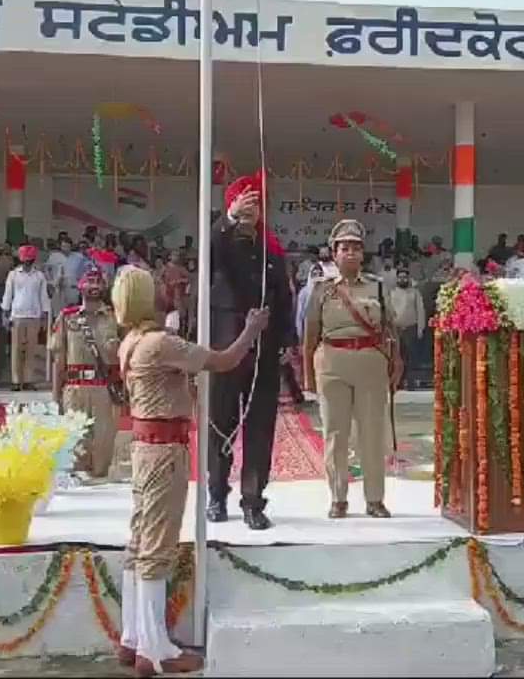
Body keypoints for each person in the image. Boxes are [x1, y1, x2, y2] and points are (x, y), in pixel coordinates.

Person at [112, 266, 268, 676]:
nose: (171, 293)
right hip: (165, 450)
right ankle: (155, 649)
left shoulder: (132, 342)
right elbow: (223, 360)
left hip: (146, 446)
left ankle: (133, 636)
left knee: (140, 538)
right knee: (157, 546)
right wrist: (251, 331)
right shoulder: (160, 344)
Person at [207, 172, 293, 531]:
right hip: (227, 348)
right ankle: (216, 495)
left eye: (256, 204)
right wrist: (228, 219)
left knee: (260, 428)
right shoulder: (222, 242)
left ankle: (253, 501)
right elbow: (211, 252)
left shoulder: (270, 249)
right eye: (245, 203)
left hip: (265, 351)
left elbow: (284, 298)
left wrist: (287, 340)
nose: (251, 211)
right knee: (220, 423)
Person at [304, 219, 401, 520]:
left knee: (372, 433)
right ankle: (338, 498)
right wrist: (308, 376)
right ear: (334, 254)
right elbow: (309, 335)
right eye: (344, 248)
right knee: (336, 433)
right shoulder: (321, 290)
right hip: (332, 363)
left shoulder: (378, 287)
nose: (350, 253)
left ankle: (374, 499)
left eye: (356, 248)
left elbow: (391, 328)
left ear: (363, 254)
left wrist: (396, 363)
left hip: (370, 363)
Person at [51, 267, 122, 478]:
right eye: (89, 282)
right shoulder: (67, 317)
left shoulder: (115, 318)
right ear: (80, 286)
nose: (93, 286)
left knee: (103, 449)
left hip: (104, 389)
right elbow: (59, 359)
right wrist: (56, 397)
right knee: (76, 448)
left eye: (98, 282)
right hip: (74, 388)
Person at [3, 244, 50, 391]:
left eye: (30, 260)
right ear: (21, 260)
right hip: (17, 314)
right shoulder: (13, 274)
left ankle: (29, 380)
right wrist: (5, 312)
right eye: (25, 260)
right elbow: (8, 294)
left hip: (34, 315)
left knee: (31, 349)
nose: (27, 262)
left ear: (33, 260)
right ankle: (16, 381)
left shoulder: (39, 276)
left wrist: (45, 314)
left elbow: (43, 296)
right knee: (16, 349)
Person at [389, 267, 425, 389]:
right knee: (396, 356)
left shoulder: (414, 293)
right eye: (400, 277)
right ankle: (397, 382)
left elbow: (420, 311)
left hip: (411, 328)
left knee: (411, 356)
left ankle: (411, 382)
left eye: (405, 277)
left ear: (408, 279)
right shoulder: (391, 292)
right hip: (395, 329)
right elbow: (388, 311)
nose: (403, 279)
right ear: (397, 279)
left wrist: (420, 328)